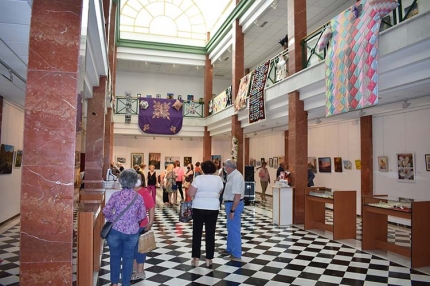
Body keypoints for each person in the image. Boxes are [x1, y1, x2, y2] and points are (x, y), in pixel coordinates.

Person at [102, 169, 146, 286]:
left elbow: (105, 211)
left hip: (115, 231)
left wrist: (113, 218)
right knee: (128, 258)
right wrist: (132, 220)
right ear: (134, 181)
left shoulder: (116, 195)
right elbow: (142, 215)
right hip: (131, 233)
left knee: (114, 256)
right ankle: (125, 283)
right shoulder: (138, 197)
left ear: (121, 180)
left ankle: (114, 283)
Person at [187, 160, 223, 267]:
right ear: (213, 169)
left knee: (197, 232)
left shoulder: (198, 179)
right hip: (213, 207)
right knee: (210, 233)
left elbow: (190, 193)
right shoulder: (218, 179)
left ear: (202, 169)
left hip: (199, 207)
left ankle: (196, 258)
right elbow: (220, 191)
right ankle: (209, 259)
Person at [221, 159, 245, 261]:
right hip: (230, 203)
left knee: (234, 230)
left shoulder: (236, 177)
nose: (224, 168)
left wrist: (232, 210)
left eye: (225, 166)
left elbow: (237, 195)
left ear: (228, 167)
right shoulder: (232, 176)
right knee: (230, 228)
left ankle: (236, 254)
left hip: (234, 204)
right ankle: (230, 249)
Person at [132, 182, 155, 281]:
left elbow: (151, 206)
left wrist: (150, 222)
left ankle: (140, 270)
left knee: (140, 248)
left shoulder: (144, 192)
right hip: (129, 226)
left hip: (141, 225)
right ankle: (134, 267)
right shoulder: (129, 191)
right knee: (132, 247)